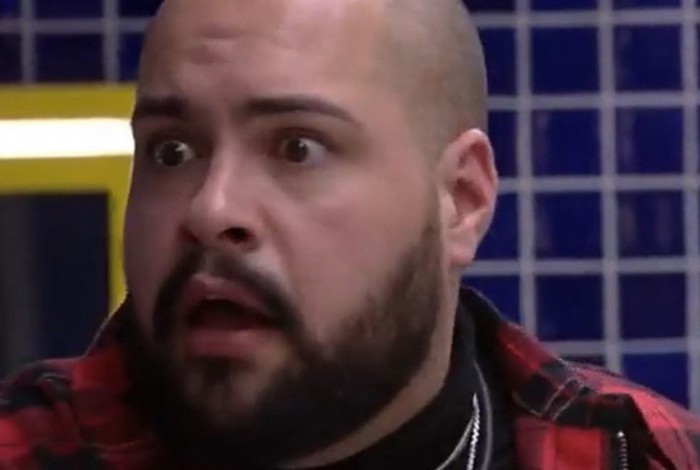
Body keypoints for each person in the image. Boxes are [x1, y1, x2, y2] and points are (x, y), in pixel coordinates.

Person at [1, 0, 699, 468]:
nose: (211, 210)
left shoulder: (641, 457)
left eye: (297, 148)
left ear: (461, 201)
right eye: (172, 151)